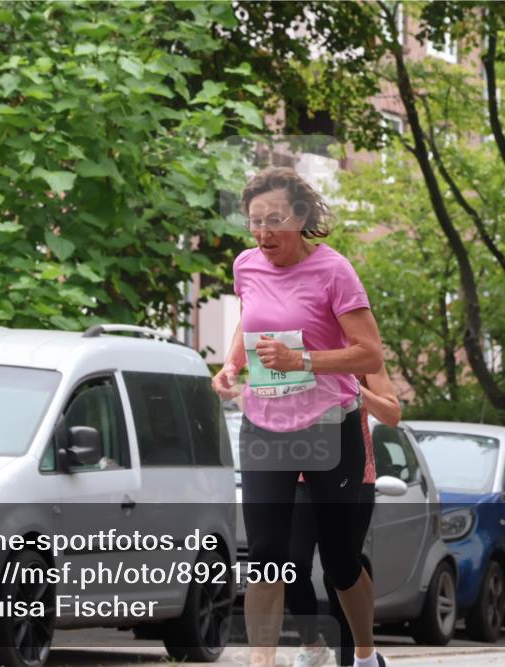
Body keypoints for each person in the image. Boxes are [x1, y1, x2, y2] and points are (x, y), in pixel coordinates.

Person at [212, 167, 386, 667]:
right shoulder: (246, 266)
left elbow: (369, 354)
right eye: (255, 222)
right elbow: (250, 319)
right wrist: (231, 364)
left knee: (340, 560)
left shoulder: (334, 271)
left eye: (275, 221)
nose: (263, 233)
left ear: (302, 217)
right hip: (265, 424)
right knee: (267, 555)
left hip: (330, 424)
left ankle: (366, 655)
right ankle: (262, 662)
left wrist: (302, 360)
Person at [286, 364, 400, 667]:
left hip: (354, 475)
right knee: (290, 562)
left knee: (340, 569)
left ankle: (354, 658)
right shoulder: (296, 349)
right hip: (301, 474)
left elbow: (392, 414)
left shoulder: (362, 354)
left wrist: (353, 387)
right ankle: (312, 643)